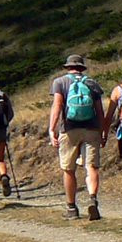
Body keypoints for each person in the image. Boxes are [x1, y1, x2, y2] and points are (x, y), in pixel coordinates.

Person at [47, 54, 106, 220]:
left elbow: (57, 106)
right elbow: (99, 110)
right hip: (91, 129)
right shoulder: (92, 83)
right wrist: (103, 131)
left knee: (69, 169)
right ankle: (93, 199)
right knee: (92, 166)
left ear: (68, 67)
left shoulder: (60, 82)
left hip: (69, 129)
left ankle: (71, 207)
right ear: (82, 67)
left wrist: (52, 129)